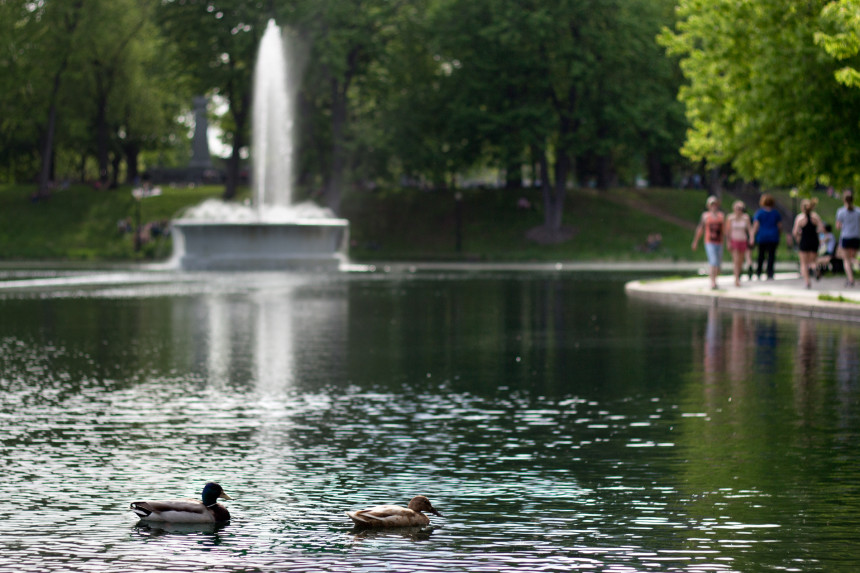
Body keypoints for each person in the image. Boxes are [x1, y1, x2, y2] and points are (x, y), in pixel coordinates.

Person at [692, 196, 725, 289]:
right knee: (713, 262)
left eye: (715, 204)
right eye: (712, 204)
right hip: (709, 242)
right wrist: (695, 241)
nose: (713, 206)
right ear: (708, 206)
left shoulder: (721, 216)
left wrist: (729, 241)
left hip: (719, 242)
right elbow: (700, 229)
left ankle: (715, 279)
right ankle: (713, 282)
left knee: (718, 264)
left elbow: (724, 230)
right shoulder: (705, 216)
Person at [791, 198, 824, 289]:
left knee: (803, 263)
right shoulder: (815, 217)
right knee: (813, 261)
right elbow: (821, 229)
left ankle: (807, 282)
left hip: (804, 241)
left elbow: (795, 232)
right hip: (814, 241)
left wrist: (799, 236)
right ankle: (815, 268)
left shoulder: (800, 218)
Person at [749, 194, 783, 280]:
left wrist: (753, 235)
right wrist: (779, 234)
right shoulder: (775, 213)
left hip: (762, 236)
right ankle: (770, 273)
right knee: (771, 255)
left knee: (761, 255)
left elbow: (756, 225)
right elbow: (779, 226)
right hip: (773, 236)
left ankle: (759, 272)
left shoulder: (759, 213)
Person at [836, 189, 860, 286]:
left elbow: (838, 226)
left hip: (846, 237)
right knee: (852, 258)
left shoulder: (841, 212)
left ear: (844, 200)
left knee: (846, 260)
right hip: (856, 237)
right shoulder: (858, 211)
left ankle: (850, 280)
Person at [725, 200, 751, 287]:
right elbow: (727, 231)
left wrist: (751, 238)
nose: (739, 210)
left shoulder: (746, 218)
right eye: (737, 208)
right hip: (734, 240)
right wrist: (728, 242)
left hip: (743, 240)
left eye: (740, 208)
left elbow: (749, 230)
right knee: (736, 260)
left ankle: (739, 276)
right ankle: (736, 279)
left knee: (740, 261)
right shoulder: (730, 218)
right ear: (734, 208)